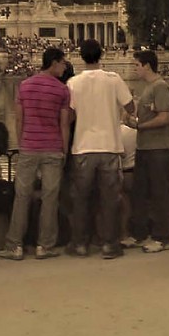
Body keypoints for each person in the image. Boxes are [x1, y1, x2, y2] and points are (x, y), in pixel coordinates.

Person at [0, 47, 71, 261]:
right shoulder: (62, 90)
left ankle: (15, 246)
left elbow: (19, 119)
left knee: (22, 197)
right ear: (54, 63)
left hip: (29, 146)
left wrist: (22, 142)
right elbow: (64, 124)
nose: (64, 66)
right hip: (53, 147)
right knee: (50, 198)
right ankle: (45, 246)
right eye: (62, 63)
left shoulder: (25, 86)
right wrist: (64, 149)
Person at [67, 39, 134, 259]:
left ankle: (79, 244)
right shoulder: (113, 79)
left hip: (83, 146)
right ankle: (110, 244)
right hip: (109, 145)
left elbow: (70, 115)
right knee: (110, 199)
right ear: (101, 54)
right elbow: (130, 107)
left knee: (81, 199)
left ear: (81, 55)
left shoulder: (73, 83)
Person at [124, 49, 169, 253]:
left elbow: (165, 117)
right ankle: (139, 234)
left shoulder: (160, 86)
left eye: (136, 65)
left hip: (159, 148)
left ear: (146, 65)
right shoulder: (147, 88)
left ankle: (161, 237)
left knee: (159, 193)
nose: (134, 69)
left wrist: (139, 126)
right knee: (140, 193)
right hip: (144, 147)